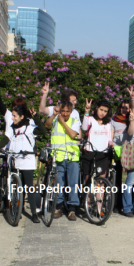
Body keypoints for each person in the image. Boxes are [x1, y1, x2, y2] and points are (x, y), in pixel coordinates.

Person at [44, 91, 81, 221]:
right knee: (59, 183)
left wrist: (62, 122)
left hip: (72, 157)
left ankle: (72, 209)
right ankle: (58, 206)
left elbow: (72, 134)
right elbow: (47, 125)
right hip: (58, 156)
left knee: (73, 184)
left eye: (67, 111)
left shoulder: (75, 120)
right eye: (63, 111)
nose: (65, 114)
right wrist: (54, 115)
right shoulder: (55, 118)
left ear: (71, 111)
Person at [7, 105, 46, 224]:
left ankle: (34, 214)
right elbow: (5, 138)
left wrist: (36, 117)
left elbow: (43, 131)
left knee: (29, 188)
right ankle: (19, 209)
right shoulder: (12, 128)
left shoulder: (29, 128)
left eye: (14, 116)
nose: (12, 118)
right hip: (16, 160)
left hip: (28, 161)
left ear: (21, 116)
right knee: (19, 188)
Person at [81, 99, 114, 181]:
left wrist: (111, 143)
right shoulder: (91, 119)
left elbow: (109, 138)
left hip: (103, 153)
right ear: (96, 108)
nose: (103, 113)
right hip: (90, 151)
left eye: (105, 111)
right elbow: (84, 127)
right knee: (88, 178)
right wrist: (86, 112)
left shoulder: (108, 124)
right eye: (101, 110)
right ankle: (88, 194)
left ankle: (100, 194)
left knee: (101, 179)